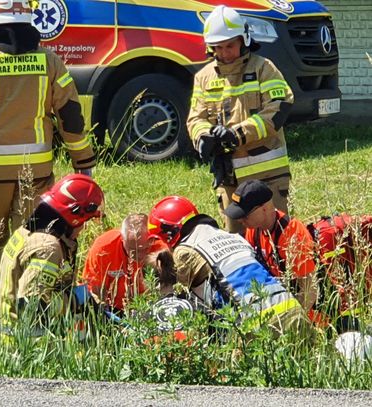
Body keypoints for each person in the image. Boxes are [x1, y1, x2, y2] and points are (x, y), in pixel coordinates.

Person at [0, 0, 96, 299]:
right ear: (30, 19)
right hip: (36, 171)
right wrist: (83, 160)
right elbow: (71, 117)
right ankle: (28, 301)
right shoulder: (50, 61)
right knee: (32, 236)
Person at [187, 5, 294, 234]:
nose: (224, 53)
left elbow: (278, 109)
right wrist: (203, 137)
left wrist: (237, 134)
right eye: (218, 47)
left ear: (243, 40)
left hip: (269, 179)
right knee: (237, 244)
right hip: (230, 180)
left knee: (277, 239)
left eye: (230, 46)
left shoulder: (264, 69)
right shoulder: (203, 78)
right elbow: (195, 118)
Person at [149, 196, 310, 336]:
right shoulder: (231, 236)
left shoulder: (186, 251)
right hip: (293, 311)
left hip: (258, 325)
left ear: (168, 234)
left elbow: (185, 304)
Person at [0, 174, 103, 331]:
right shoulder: (48, 248)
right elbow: (33, 306)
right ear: (74, 218)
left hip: (10, 331)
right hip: (27, 344)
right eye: (85, 222)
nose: (83, 228)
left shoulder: (26, 231)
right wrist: (75, 300)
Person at [224, 180, 318, 314]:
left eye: (244, 215)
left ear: (264, 208)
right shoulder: (254, 229)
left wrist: (294, 321)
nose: (240, 220)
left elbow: (311, 290)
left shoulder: (292, 235)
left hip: (308, 311)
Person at [82, 213, 168, 314]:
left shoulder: (162, 247)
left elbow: (170, 285)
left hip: (152, 306)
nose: (140, 256)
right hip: (114, 310)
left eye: (145, 249)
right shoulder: (103, 249)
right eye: (133, 250)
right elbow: (95, 291)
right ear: (122, 239)